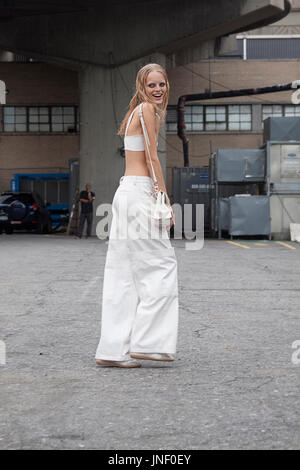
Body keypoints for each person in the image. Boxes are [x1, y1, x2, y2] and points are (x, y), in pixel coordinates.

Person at [95, 63, 179, 368]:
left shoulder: (136, 112)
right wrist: (165, 198)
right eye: (152, 85)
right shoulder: (147, 110)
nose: (158, 90)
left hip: (126, 194)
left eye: (162, 84)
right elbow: (152, 157)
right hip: (139, 194)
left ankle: (113, 351)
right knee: (162, 265)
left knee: (124, 274)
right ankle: (150, 343)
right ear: (142, 86)